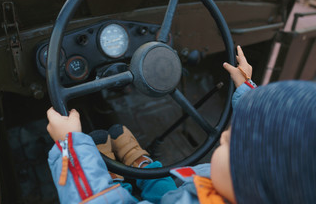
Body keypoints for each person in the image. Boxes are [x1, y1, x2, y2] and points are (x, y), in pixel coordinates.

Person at [47, 46, 316, 203]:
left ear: (254, 186)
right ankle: (141, 164)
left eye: (233, 143)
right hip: (183, 193)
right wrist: (247, 89)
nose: (223, 136)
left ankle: (115, 181)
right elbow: (277, 125)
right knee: (163, 184)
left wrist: (70, 146)